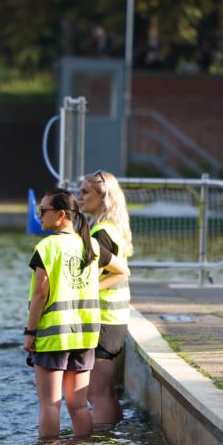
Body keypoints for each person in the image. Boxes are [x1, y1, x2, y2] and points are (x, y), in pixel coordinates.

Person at [24, 188, 128, 441]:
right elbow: (122, 271)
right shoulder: (89, 244)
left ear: (61, 214)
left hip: (53, 336)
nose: (40, 216)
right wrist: (93, 288)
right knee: (79, 405)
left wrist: (30, 333)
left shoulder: (47, 247)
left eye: (43, 211)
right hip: (85, 336)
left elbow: (40, 294)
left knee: (51, 404)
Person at [80, 170, 133, 427]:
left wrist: (89, 291)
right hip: (114, 319)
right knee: (106, 392)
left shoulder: (100, 233)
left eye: (84, 192)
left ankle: (102, 443)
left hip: (105, 320)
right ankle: (113, 438)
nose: (79, 197)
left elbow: (116, 274)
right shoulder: (112, 229)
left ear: (103, 196)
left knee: (96, 393)